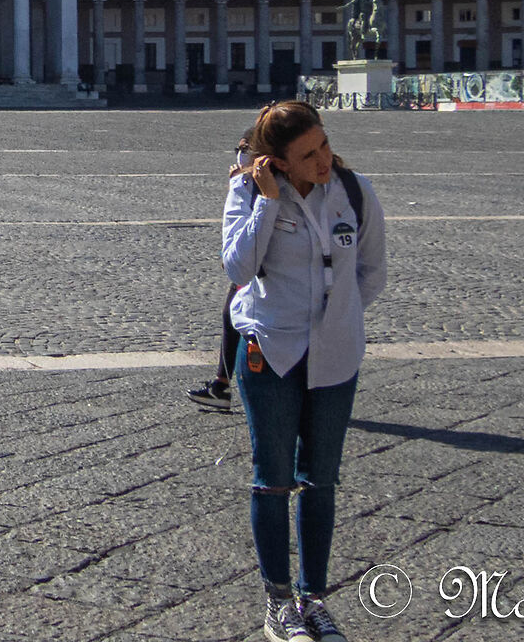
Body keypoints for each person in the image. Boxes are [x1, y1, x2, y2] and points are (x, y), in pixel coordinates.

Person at [221, 101, 385, 642]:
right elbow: (238, 267)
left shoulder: (353, 191)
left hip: (335, 355)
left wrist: (337, 319)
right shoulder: (248, 192)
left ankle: (313, 600)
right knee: (272, 480)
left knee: (322, 481)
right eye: (308, 153)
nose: (323, 159)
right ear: (279, 161)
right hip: (270, 351)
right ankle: (278, 602)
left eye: (324, 144)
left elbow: (371, 271)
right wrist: (268, 203)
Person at [189, 141, 255, 412]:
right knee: (231, 315)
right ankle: (221, 384)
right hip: (246, 261)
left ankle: (226, 385)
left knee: (237, 317)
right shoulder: (249, 180)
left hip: (253, 264)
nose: (239, 157)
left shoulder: (257, 181)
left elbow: (245, 219)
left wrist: (239, 184)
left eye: (245, 152)